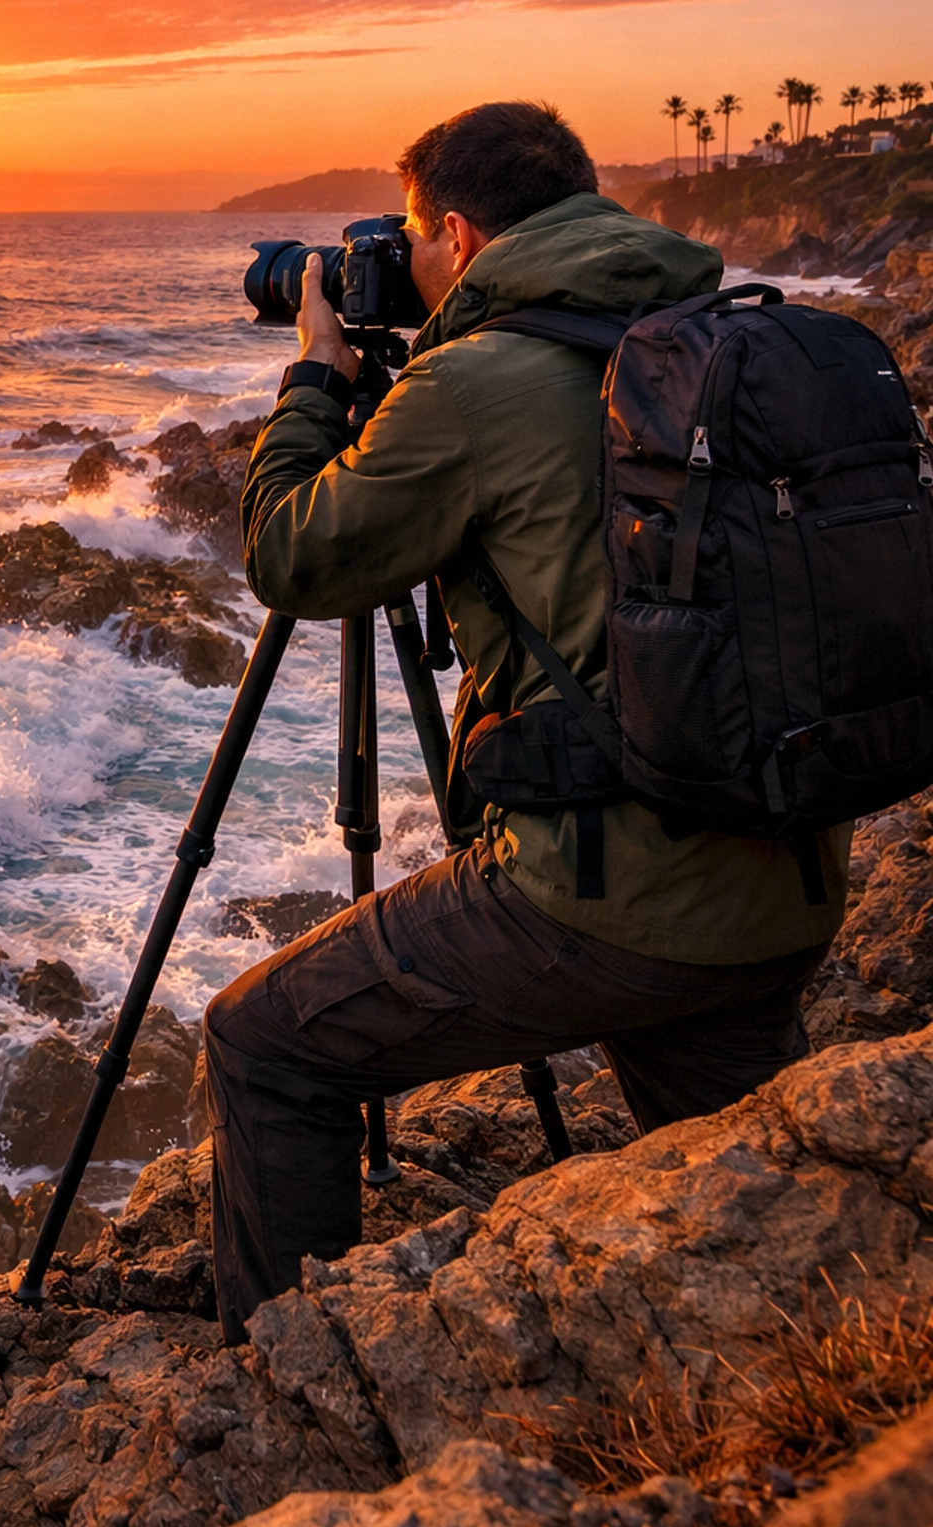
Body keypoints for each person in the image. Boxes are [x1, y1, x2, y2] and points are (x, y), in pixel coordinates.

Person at [203, 99, 850, 1346]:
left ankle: (282, 1390)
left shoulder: (476, 382)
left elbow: (293, 557)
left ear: (455, 232)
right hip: (784, 874)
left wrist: (317, 379)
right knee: (756, 1210)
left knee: (263, 1043)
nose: (404, 267)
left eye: (407, 243)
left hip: (619, 903)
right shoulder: (699, 333)